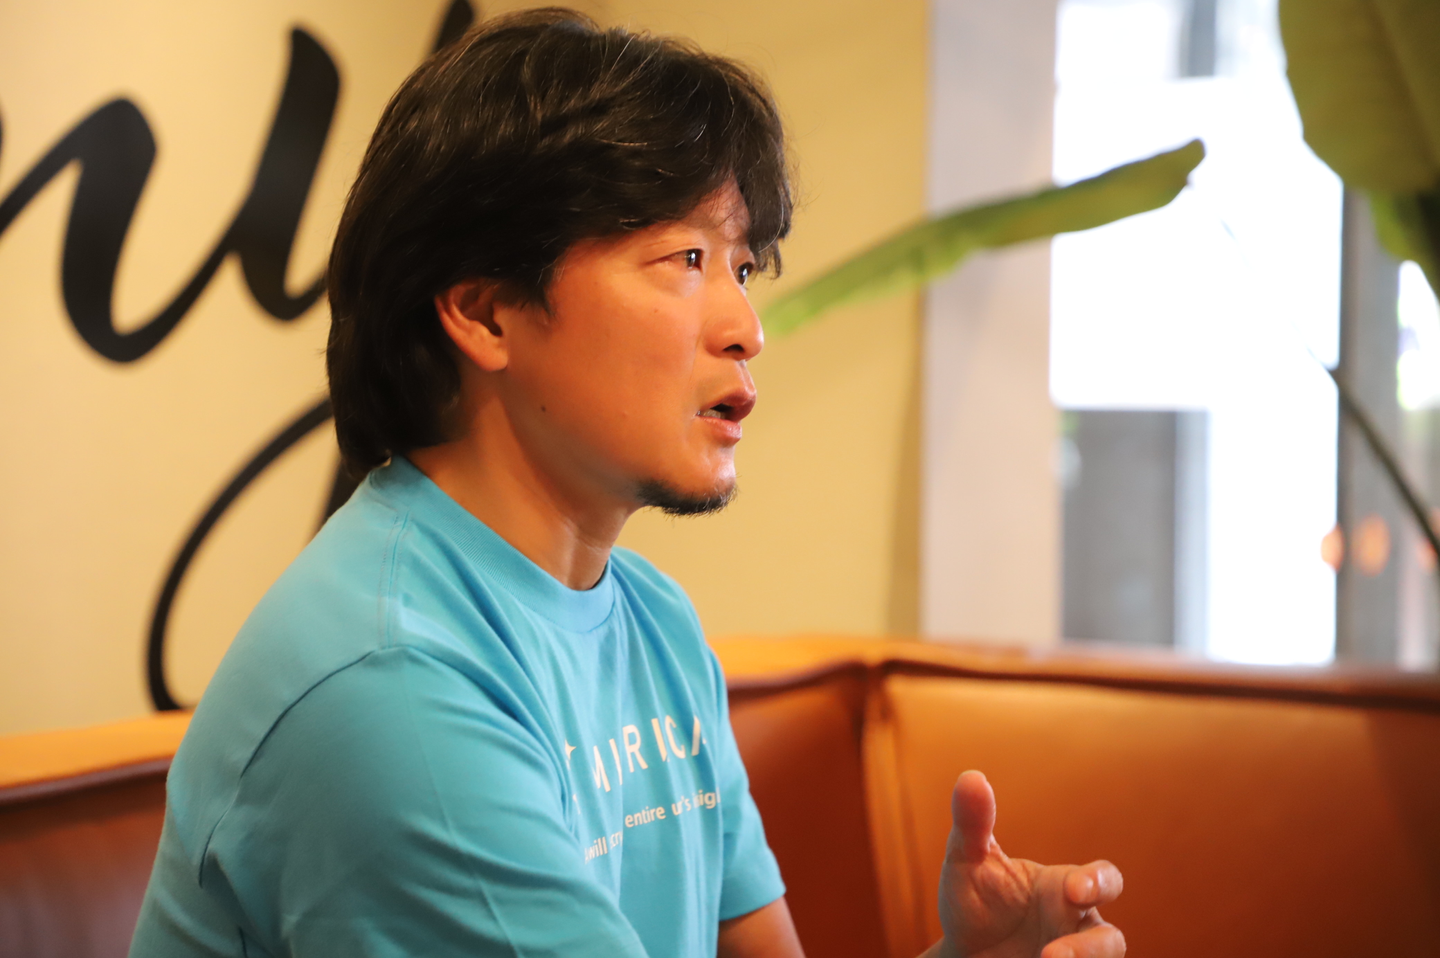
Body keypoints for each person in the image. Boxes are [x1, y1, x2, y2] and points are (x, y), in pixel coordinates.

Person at [129, 9, 1126, 958]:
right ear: (486, 312)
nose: (746, 327)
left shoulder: (654, 621)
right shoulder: (394, 685)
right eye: (686, 258)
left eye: (744, 266)